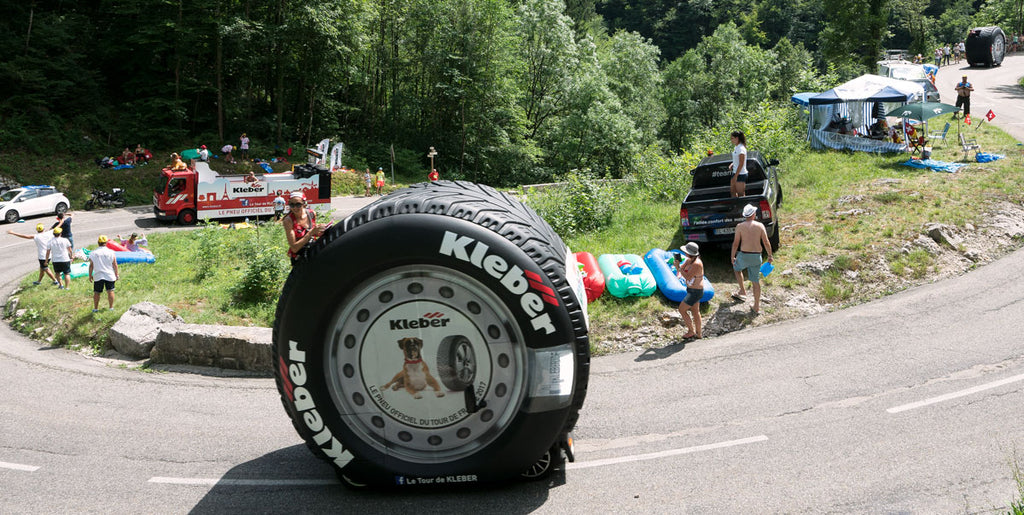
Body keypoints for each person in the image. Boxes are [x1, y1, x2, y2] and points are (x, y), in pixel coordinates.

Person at [731, 204, 774, 314]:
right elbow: (766, 242)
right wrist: (769, 255)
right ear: (754, 214)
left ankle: (742, 290)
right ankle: (756, 306)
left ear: (745, 215)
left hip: (744, 255)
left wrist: (732, 256)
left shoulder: (740, 226)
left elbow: (736, 244)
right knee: (755, 281)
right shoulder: (760, 226)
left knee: (736, 268)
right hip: (756, 256)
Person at [283, 192, 326, 265]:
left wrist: (320, 230)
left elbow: (314, 233)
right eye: (292, 205)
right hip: (299, 257)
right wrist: (311, 233)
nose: (295, 208)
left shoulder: (311, 214)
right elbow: (294, 248)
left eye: (298, 204)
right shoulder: (288, 220)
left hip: (313, 251)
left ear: (304, 204)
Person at [673, 242, 705, 340]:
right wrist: (678, 265)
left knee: (682, 309)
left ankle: (691, 331)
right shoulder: (689, 260)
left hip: (695, 291)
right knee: (695, 311)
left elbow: (687, 276)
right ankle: (699, 334)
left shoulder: (697, 264)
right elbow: (681, 269)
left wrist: (678, 267)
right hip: (692, 290)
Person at [89, 235, 119, 312]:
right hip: (109, 274)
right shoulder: (111, 252)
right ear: (106, 243)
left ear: (98, 242)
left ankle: (95, 308)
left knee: (97, 293)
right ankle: (111, 307)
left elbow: (91, 265)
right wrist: (116, 274)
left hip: (98, 275)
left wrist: (90, 275)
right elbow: (115, 264)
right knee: (110, 291)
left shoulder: (93, 253)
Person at [728, 131, 748, 198]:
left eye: (732, 138)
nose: (731, 140)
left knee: (741, 194)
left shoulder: (741, 149)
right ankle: (735, 207)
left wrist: (736, 176)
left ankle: (743, 208)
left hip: (740, 174)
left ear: (737, 138)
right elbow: (737, 159)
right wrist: (732, 164)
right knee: (733, 191)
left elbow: (741, 163)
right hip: (735, 172)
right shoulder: (736, 147)